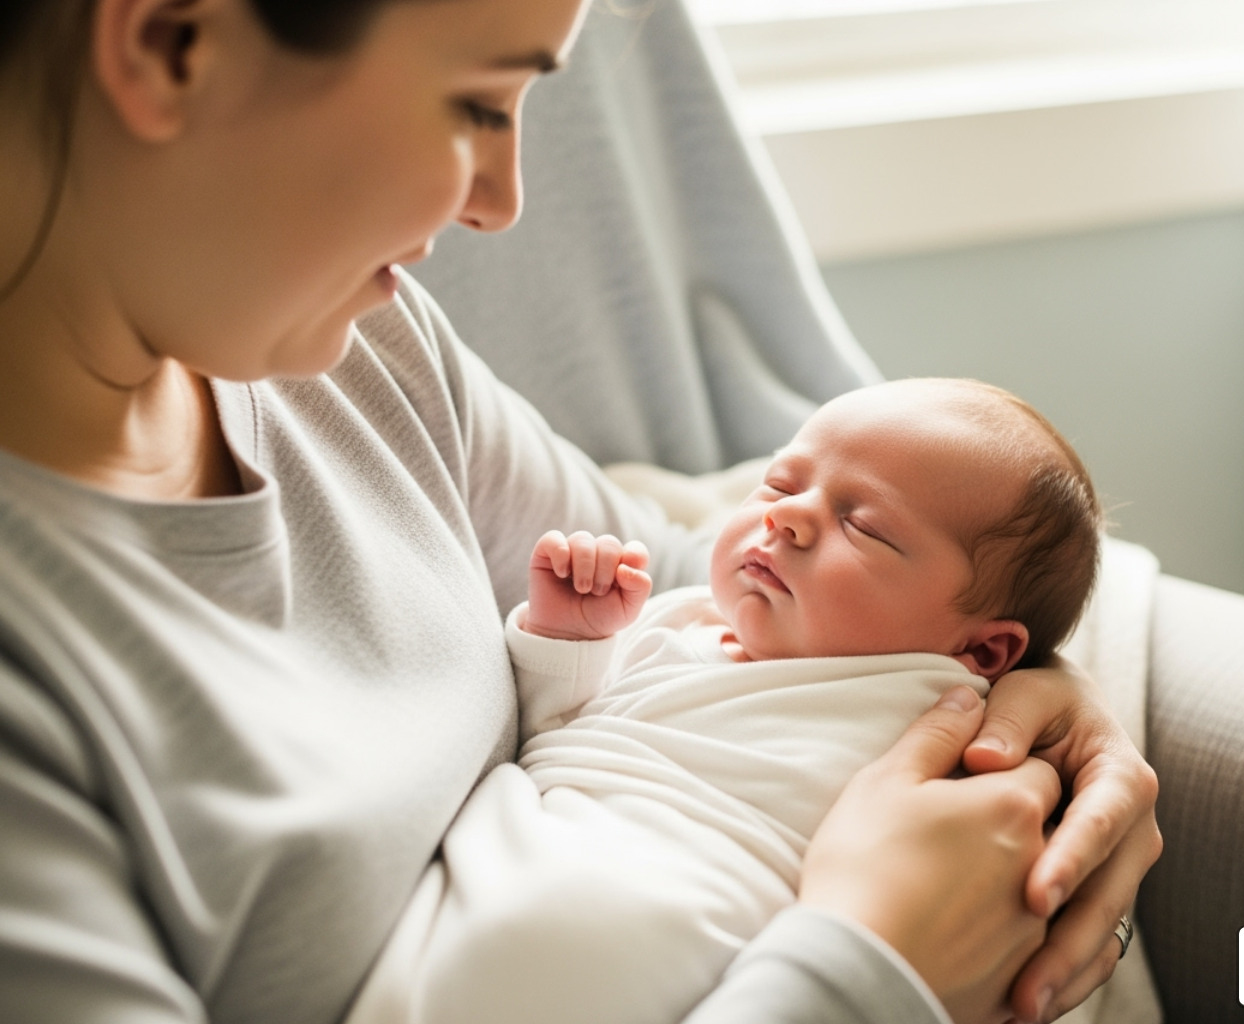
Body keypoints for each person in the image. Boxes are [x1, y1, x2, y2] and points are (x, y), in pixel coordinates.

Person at [0, 2, 1161, 1023]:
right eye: (476, 105)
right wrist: (870, 965)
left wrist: (1033, 697)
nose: (502, 205)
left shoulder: (357, 349)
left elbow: (686, 593)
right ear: (170, 43)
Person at [347, 376, 1103, 1024]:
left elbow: (986, 884)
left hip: (693, 941)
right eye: (778, 483)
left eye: (863, 526)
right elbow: (559, 739)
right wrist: (569, 646)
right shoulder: (677, 618)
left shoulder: (944, 720)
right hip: (494, 885)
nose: (787, 515)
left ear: (982, 650)